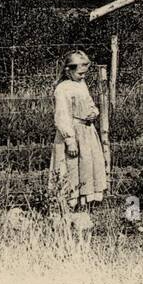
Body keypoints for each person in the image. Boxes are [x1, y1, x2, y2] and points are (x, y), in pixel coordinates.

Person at [51, 49, 108, 213]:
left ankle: (86, 202)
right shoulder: (62, 89)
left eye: (85, 73)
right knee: (71, 167)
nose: (83, 77)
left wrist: (93, 112)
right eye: (80, 73)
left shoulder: (81, 85)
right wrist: (70, 141)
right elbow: (62, 116)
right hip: (73, 133)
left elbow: (89, 102)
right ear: (69, 70)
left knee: (87, 165)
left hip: (87, 131)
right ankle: (69, 203)